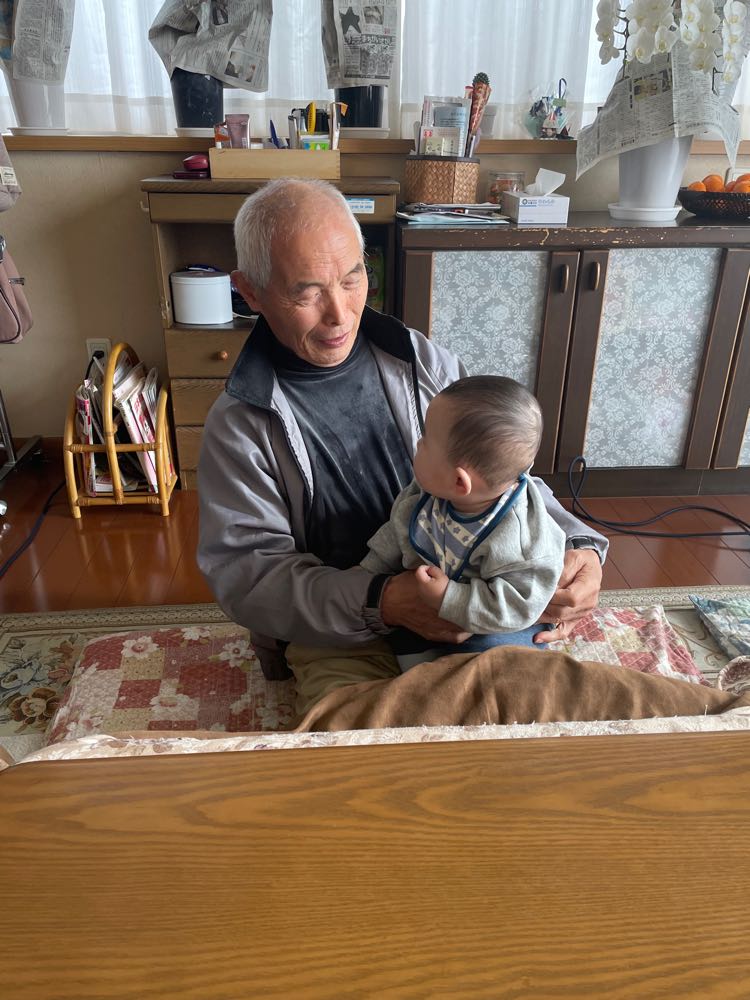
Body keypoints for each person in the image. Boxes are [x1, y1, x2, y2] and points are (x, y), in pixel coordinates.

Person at [197, 177, 607, 718]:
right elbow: (250, 577)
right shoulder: (240, 425)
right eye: (307, 293)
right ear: (250, 292)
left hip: (470, 595)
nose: (340, 314)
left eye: (352, 279)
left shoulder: (422, 362)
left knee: (532, 710)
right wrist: (383, 602)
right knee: (372, 739)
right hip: (341, 628)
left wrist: (581, 546)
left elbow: (502, 475)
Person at [361, 375, 566, 670]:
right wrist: (368, 572)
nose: (417, 443)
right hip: (429, 602)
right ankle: (423, 677)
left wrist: (450, 597)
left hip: (496, 618)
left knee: (499, 658)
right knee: (400, 637)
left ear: (459, 481)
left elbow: (517, 606)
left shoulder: (521, 541)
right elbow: (396, 531)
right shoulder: (425, 492)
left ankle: (464, 679)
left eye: (426, 441)